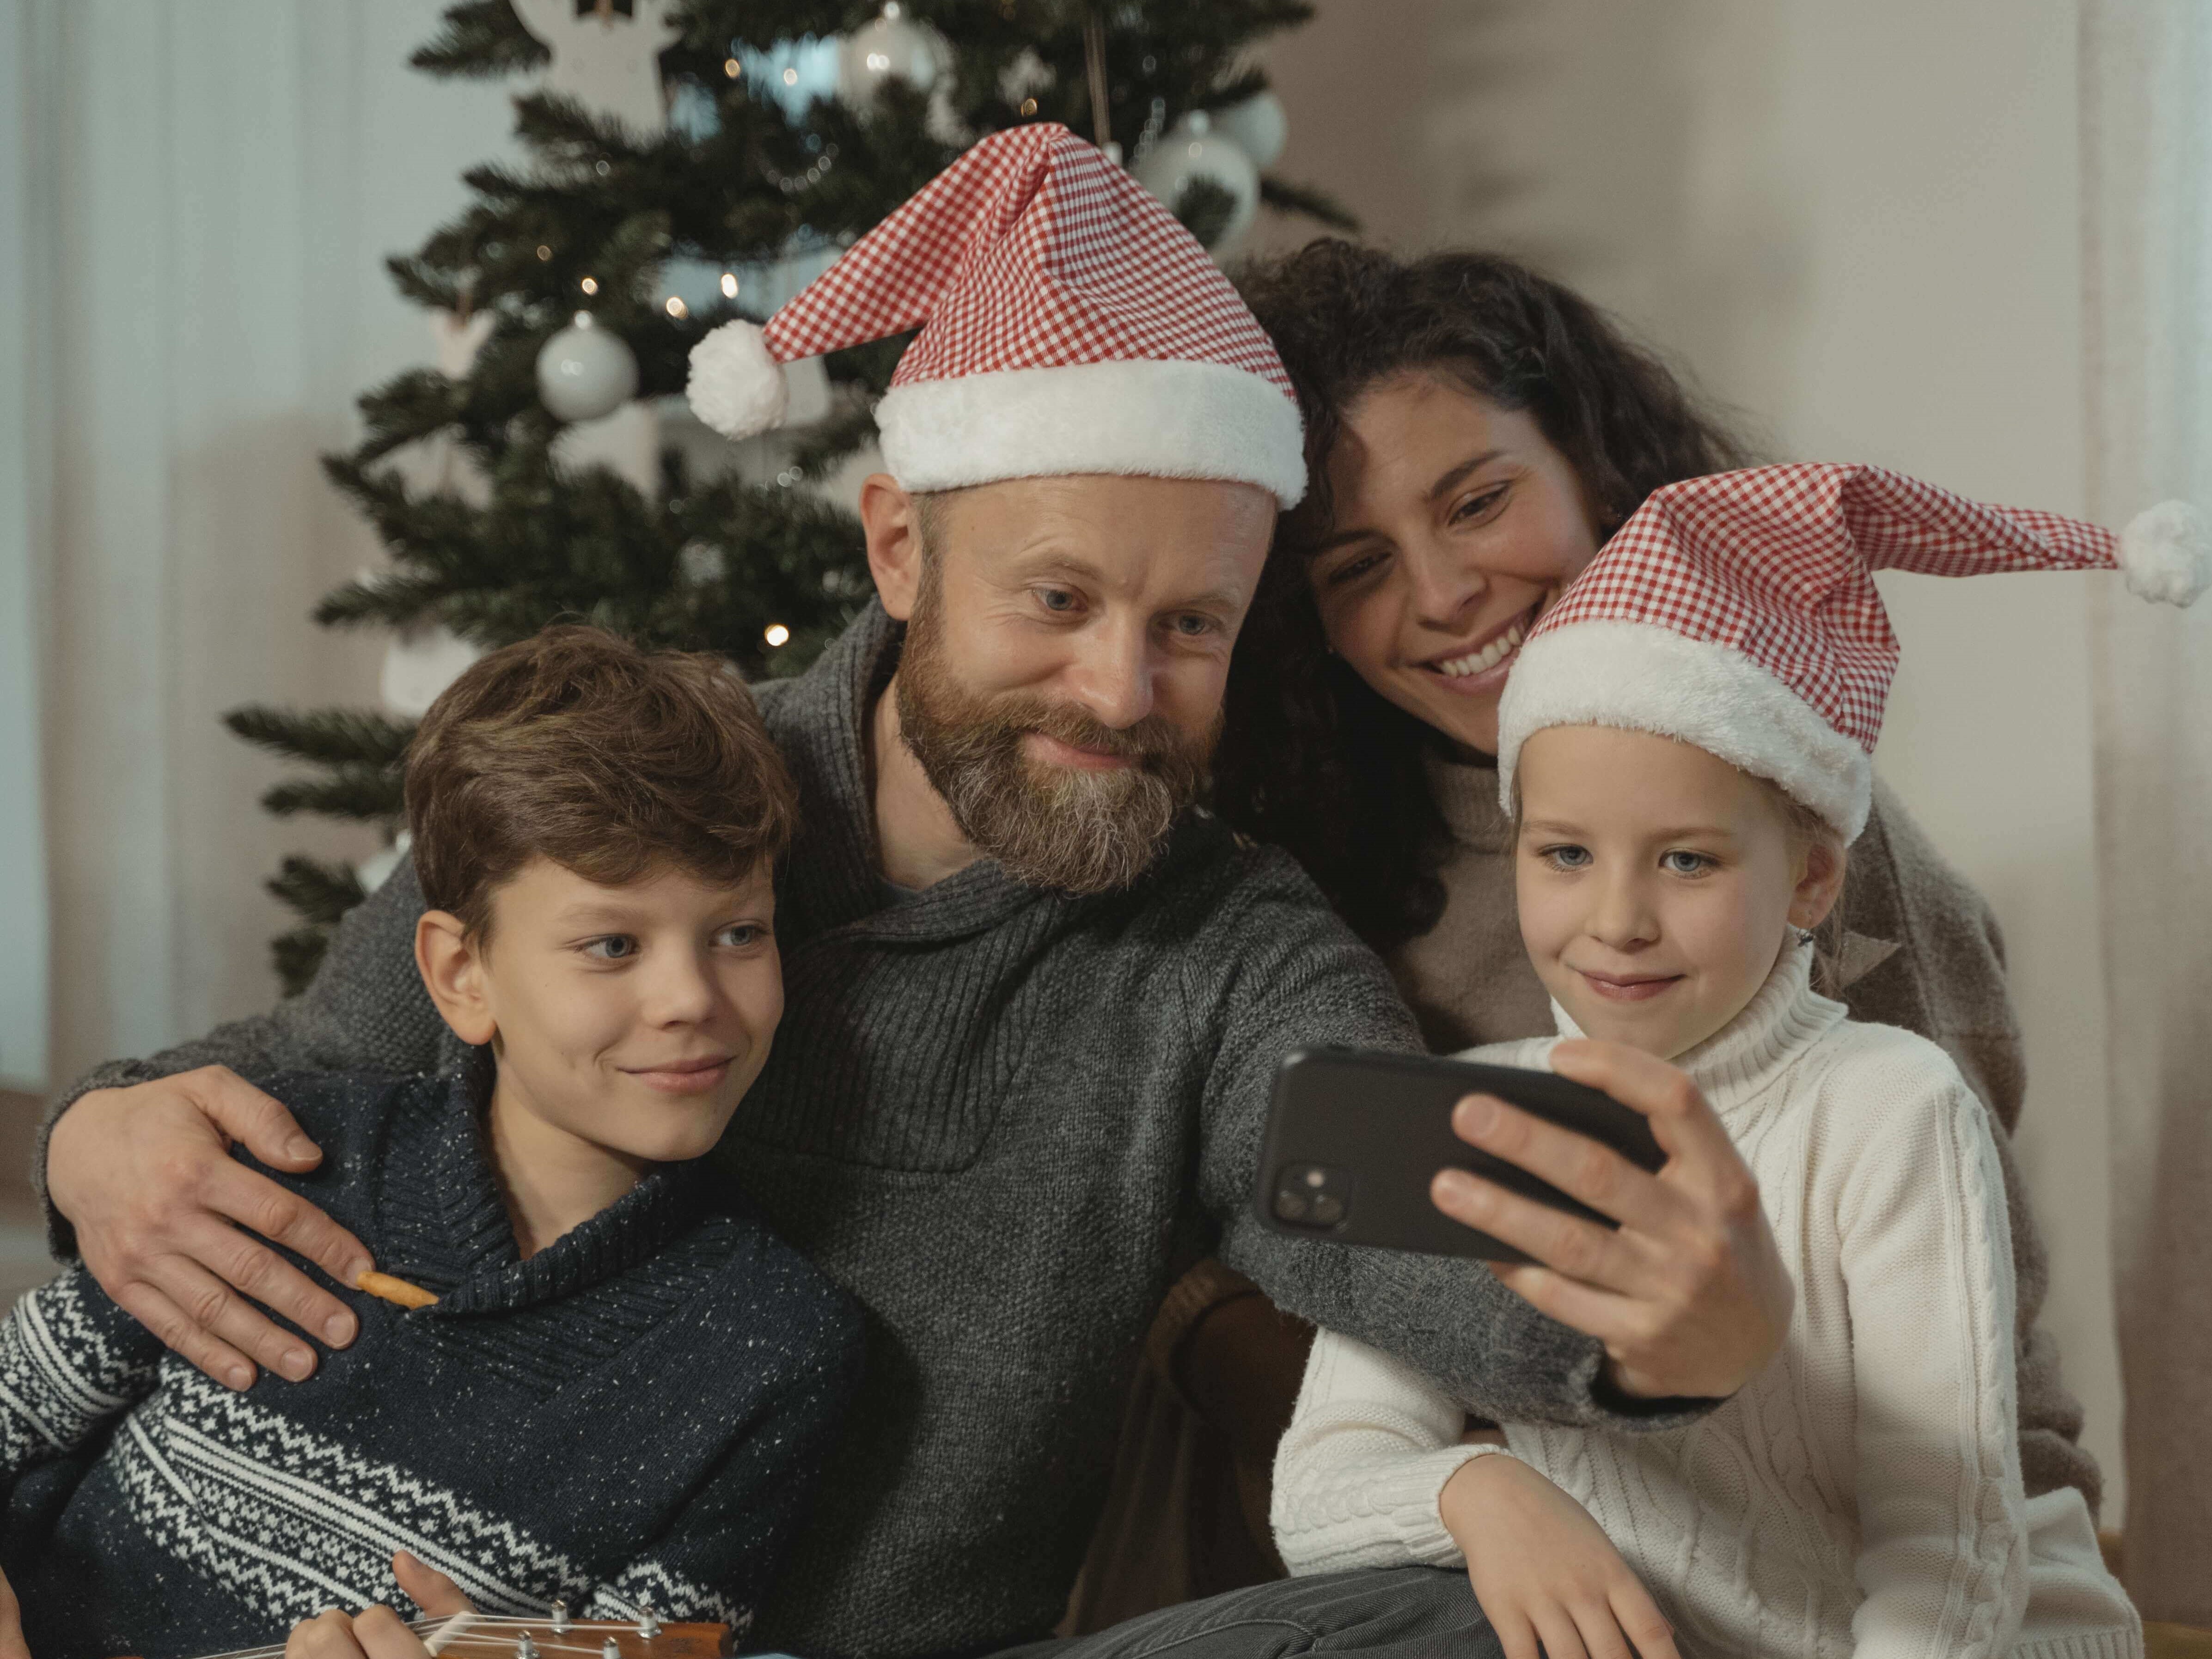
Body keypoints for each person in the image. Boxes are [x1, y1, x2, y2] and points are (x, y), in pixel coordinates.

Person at [32, 129, 1790, 1659]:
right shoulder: (633, 791)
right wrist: (96, 1138)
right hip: (516, 1623)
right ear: (896, 548)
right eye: (1055, 601)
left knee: (1467, 1632)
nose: (1118, 692)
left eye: (1190, 627)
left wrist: (1647, 1320)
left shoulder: (1213, 959)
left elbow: (1398, 1185)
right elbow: (289, 1076)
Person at [1071, 242, 2101, 1619]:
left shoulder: (1826, 865)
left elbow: (1959, 1364)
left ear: (1598, 473)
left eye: (1480, 501)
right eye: (1360, 563)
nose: (1441, 594)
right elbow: (1215, 1261)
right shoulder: (1292, 883)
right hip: (1433, 1551)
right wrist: (1472, 1483)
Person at [1270, 463, 2190, 1659]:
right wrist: (1476, 1492)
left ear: (1810, 875)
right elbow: (1321, 1484)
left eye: (1687, 861)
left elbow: (1945, 1549)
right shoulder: (1475, 1110)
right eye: (1562, 852)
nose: (1617, 919)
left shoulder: (1890, 1107)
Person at [0, 625, 862, 1659]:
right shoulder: (290, 1160)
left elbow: (664, 1647)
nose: (690, 999)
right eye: (611, 944)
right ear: (460, 974)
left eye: (738, 933)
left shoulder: (776, 1347)